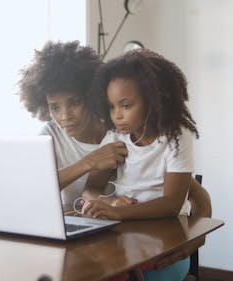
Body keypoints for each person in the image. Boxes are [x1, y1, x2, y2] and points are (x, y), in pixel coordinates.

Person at [82, 48, 200, 280]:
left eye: (126, 106)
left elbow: (172, 205)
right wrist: (112, 202)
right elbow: (90, 190)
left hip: (167, 240)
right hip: (124, 236)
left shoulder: (176, 135)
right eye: (112, 106)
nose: (117, 115)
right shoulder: (116, 138)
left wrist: (119, 213)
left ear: (153, 100)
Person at [17, 41, 128, 205]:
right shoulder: (50, 136)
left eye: (74, 103)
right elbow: (33, 188)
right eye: (55, 107)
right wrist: (88, 162)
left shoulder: (119, 130)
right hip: (70, 223)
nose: (65, 116)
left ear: (91, 97)